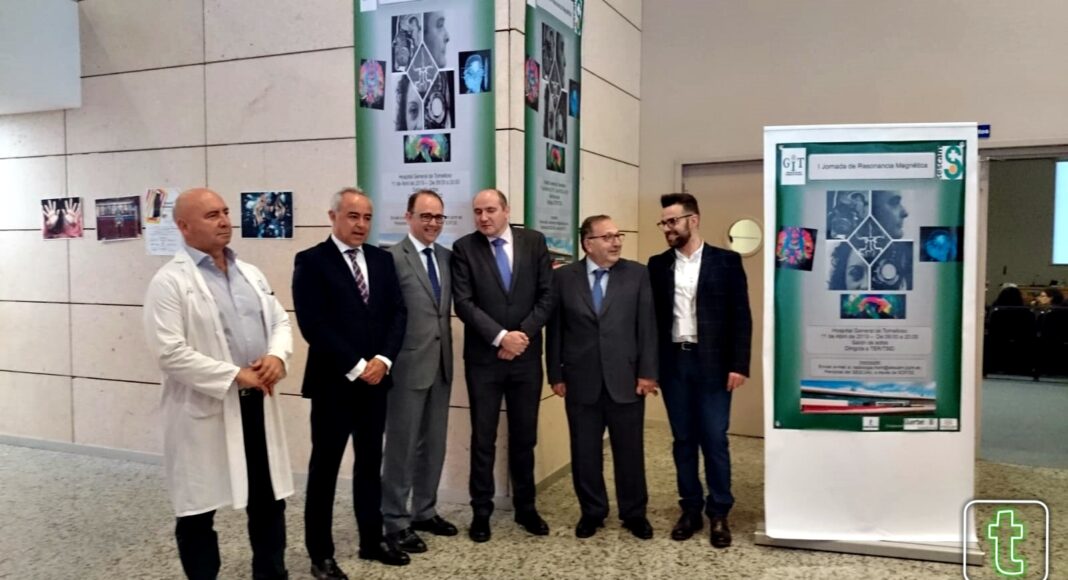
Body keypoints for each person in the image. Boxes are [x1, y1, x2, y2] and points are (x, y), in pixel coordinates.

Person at [142, 188, 294, 580]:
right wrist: (234, 374)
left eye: (225, 212)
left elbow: (279, 320)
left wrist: (276, 356)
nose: (225, 221)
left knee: (268, 500)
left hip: (256, 403)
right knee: (198, 511)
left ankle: (271, 574)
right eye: (212, 215)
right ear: (184, 226)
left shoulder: (250, 273)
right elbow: (169, 352)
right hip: (204, 410)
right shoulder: (169, 282)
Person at [293, 187, 409, 580]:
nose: (361, 225)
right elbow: (314, 325)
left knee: (370, 465)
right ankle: (320, 555)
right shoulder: (312, 261)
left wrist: (384, 360)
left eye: (367, 218)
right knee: (324, 470)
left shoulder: (381, 259)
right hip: (334, 385)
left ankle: (371, 540)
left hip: (377, 383)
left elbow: (398, 313)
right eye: (353, 216)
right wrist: (358, 366)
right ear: (333, 216)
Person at [647, 193, 752, 550]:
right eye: (663, 223)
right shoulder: (657, 265)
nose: (667, 228)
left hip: (714, 364)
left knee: (715, 438)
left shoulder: (726, 261)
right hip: (674, 363)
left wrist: (739, 364)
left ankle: (719, 511)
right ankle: (690, 509)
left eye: (672, 221)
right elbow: (651, 321)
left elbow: (741, 316)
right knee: (683, 439)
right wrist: (650, 368)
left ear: (693, 220)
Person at [451, 189, 555, 542]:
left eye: (491, 210)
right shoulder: (464, 248)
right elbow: (464, 303)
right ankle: (481, 512)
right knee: (483, 438)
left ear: (506, 210)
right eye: (478, 211)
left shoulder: (534, 242)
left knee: (525, 436)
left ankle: (526, 508)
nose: (484, 217)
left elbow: (547, 295)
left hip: (526, 358)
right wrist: (500, 337)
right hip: (484, 361)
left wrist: (520, 336)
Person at [546, 215, 658, 540]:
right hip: (580, 380)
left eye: (618, 235)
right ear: (588, 243)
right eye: (607, 237)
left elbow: (647, 327)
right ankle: (592, 512)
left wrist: (648, 373)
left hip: (626, 379)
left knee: (630, 452)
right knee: (584, 453)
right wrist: (555, 374)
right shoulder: (564, 278)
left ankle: (634, 514)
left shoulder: (637, 274)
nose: (616, 242)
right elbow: (555, 330)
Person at [381, 191, 458, 553]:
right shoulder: (392, 258)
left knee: (434, 445)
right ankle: (394, 520)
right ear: (408, 217)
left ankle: (424, 511)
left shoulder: (446, 257)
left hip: (441, 365)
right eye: (425, 216)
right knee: (402, 446)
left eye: (438, 217)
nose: (432, 223)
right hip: (407, 367)